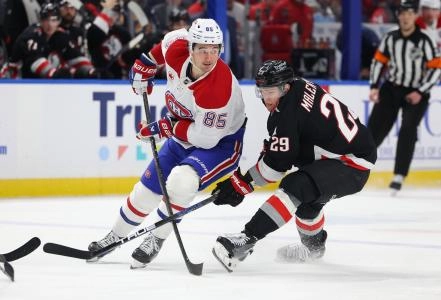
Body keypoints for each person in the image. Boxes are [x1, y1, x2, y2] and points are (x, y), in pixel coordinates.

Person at [88, 18, 247, 269]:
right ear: (190, 47)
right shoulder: (177, 47)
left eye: (214, 49)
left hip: (220, 145)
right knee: (145, 192)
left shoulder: (219, 88)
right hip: (184, 131)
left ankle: (156, 238)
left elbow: (205, 138)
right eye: (203, 49)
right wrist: (147, 63)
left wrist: (165, 127)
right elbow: (165, 43)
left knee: (182, 181)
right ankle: (114, 237)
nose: (209, 57)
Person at [210, 60, 377, 272]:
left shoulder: (288, 113)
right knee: (307, 204)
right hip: (345, 154)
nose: (267, 98)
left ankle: (246, 239)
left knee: (295, 186)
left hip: (352, 163)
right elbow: (295, 144)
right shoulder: (298, 87)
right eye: (263, 91)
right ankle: (314, 249)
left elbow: (276, 167)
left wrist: (241, 183)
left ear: (285, 87)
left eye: (272, 91)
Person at [368, 0, 441, 194]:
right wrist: (374, 86)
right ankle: (357, 166)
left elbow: (436, 68)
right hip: (392, 88)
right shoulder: (391, 37)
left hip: (417, 91)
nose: (406, 17)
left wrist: (421, 91)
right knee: (374, 130)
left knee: (408, 129)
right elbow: (378, 62)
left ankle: (399, 175)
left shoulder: (425, 39)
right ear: (399, 15)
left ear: (415, 16)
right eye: (402, 13)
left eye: (409, 13)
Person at [2, 1, 95, 78]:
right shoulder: (31, 35)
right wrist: (55, 73)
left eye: (54, 20)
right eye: (46, 20)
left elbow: (75, 57)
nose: (50, 24)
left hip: (35, 83)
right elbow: (35, 62)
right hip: (13, 81)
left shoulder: (60, 36)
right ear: (40, 20)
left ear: (59, 21)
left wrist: (91, 71)